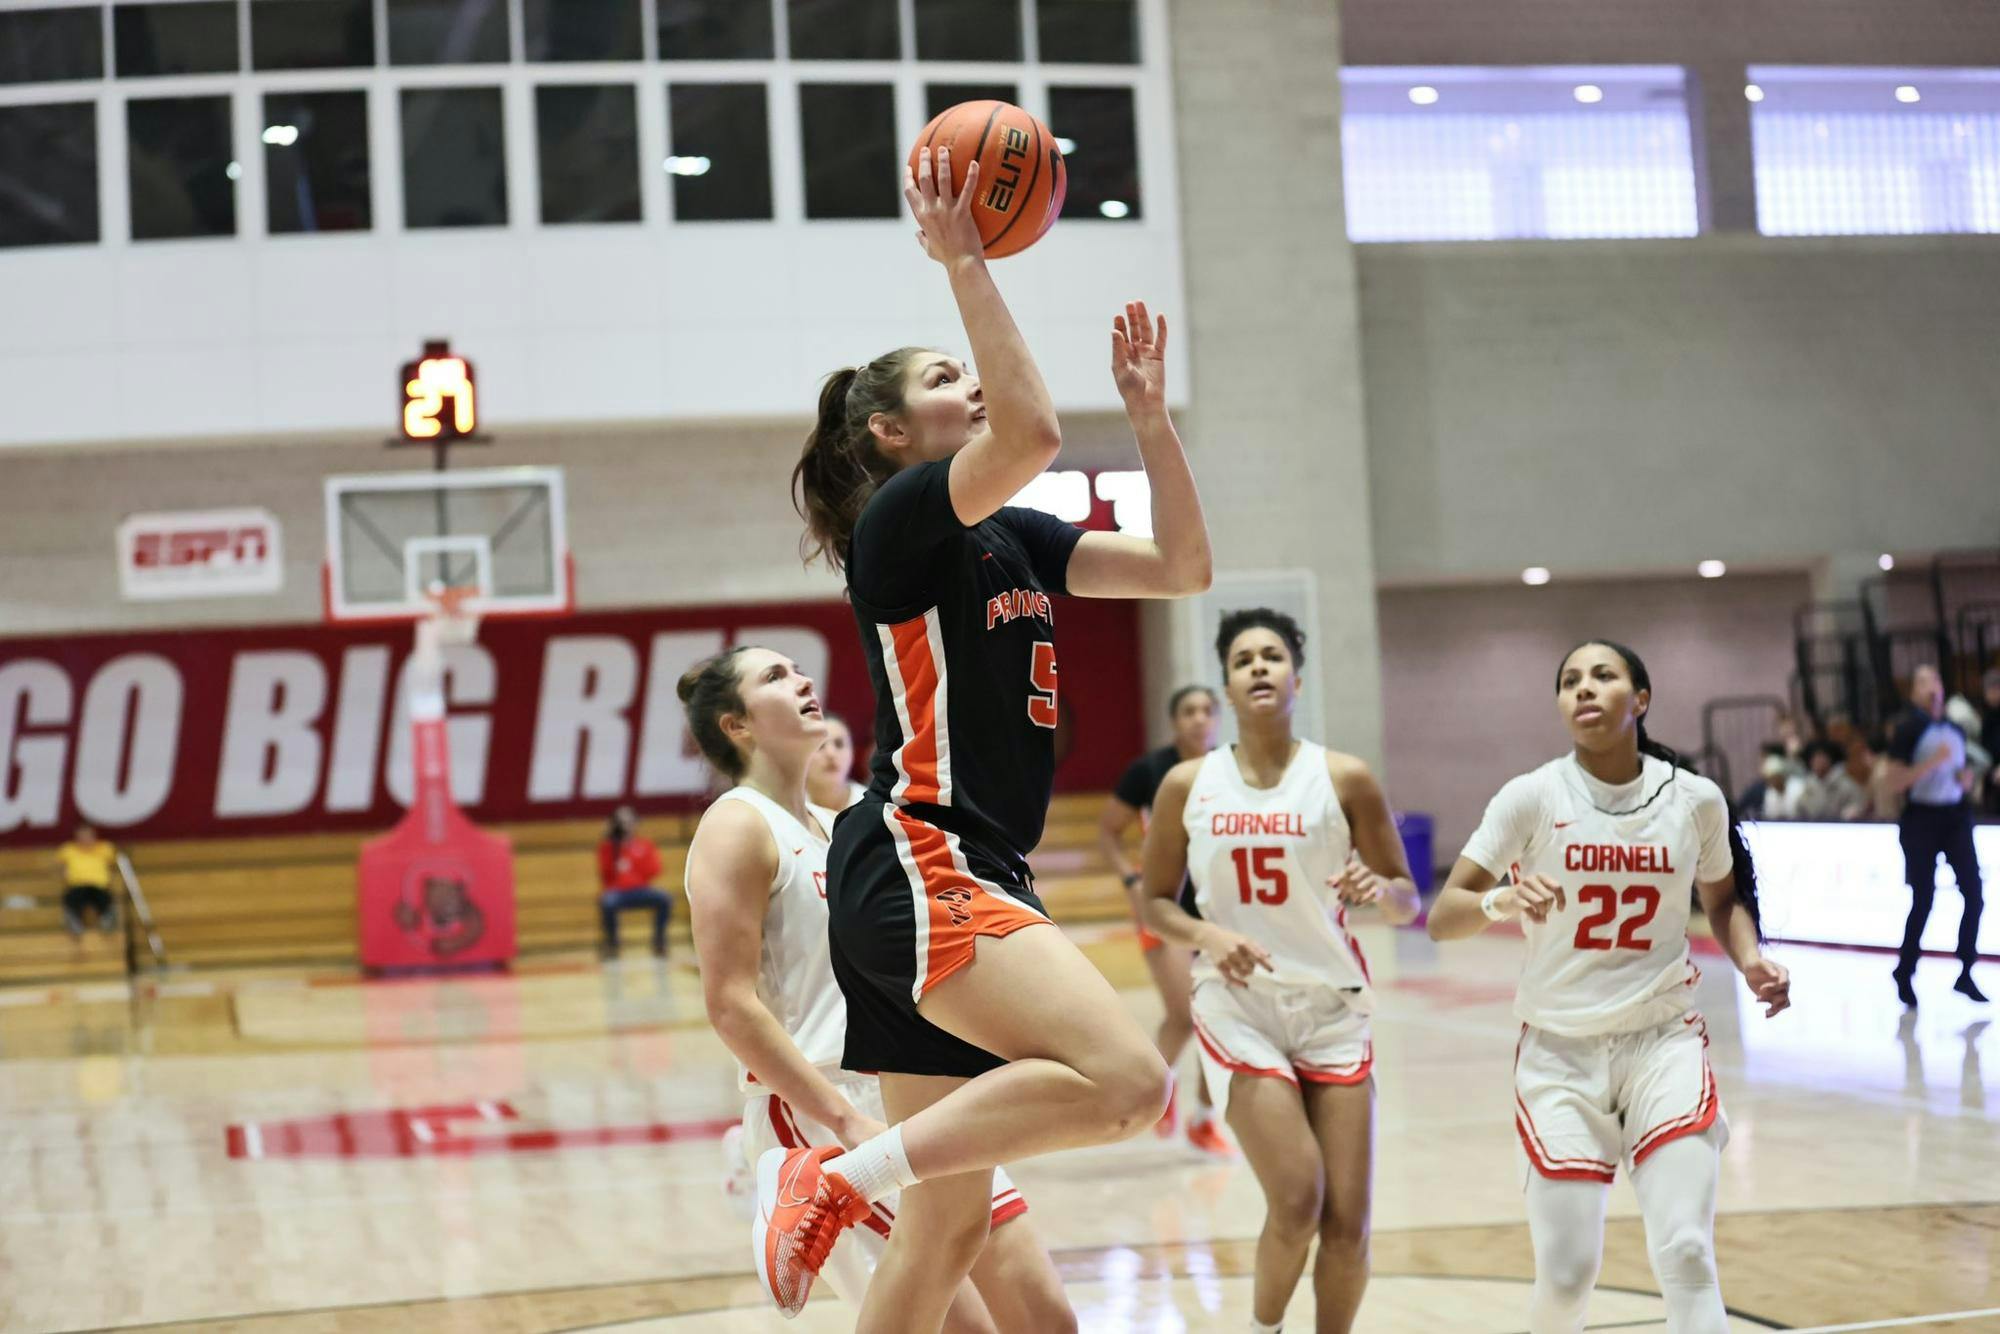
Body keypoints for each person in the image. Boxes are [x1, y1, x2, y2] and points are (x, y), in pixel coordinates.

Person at [754, 142, 1212, 1331]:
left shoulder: (1014, 534)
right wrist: (964, 261)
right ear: (892, 434)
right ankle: (833, 1178)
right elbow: (1033, 427)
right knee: (1127, 1083)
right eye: (945, 379)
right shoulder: (900, 528)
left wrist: (1154, 424)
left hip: (942, 868)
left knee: (948, 1224)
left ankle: (852, 1187)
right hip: (923, 852)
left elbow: (1180, 568)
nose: (972, 389)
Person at [679, 647, 1068, 1331]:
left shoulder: (839, 830)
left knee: (1047, 1321)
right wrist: (842, 1118)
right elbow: (730, 1005)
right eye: (774, 676)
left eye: (796, 668)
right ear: (736, 725)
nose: (800, 679)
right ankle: (790, 1186)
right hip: (818, 1108)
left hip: (914, 1095)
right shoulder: (736, 823)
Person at [1427, 640, 1792, 1334]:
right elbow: (1444, 917)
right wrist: (1500, 903)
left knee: (1686, 1251)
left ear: (1642, 700)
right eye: (1569, 681)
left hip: (1663, 1040)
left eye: (1603, 676)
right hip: (1561, 1052)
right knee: (1566, 1278)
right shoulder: (1531, 795)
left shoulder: (1694, 800)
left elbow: (1722, 900)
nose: (1583, 690)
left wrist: (1749, 959)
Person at [1138, 609, 1419, 1334]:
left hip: (1331, 1005)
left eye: (1272, 656)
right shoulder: (1187, 784)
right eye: (1243, 660)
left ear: (1298, 676)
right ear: (1227, 686)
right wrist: (1205, 932)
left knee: (1349, 1224)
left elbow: (1405, 897)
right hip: (1239, 1005)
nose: (1259, 667)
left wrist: (1379, 890)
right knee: (1297, 1199)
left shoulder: (1346, 777)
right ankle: (1264, 1329)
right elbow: (1155, 903)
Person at [1096, 683, 1230, 1154]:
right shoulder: (1149, 771)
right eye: (1189, 710)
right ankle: (1162, 1091)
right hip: (1163, 906)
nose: (1199, 718)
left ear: (1217, 719)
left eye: (1206, 710)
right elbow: (1109, 832)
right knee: (1185, 1014)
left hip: (1219, 908)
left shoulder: (1231, 768)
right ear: (1175, 721)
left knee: (1221, 1018)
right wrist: (1132, 882)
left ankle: (1204, 1118)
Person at [1885, 664, 1986, 1007]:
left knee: (1974, 893)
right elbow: (1895, 781)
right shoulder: (1907, 729)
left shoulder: (1955, 728)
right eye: (1923, 682)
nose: (1932, 688)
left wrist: (1964, 780)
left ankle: (1966, 971)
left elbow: (1961, 770)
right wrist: (1932, 764)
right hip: (1921, 820)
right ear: (1913, 691)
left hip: (1955, 816)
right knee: (1924, 899)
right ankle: (1905, 970)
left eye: (1936, 680)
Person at [596, 806, 673, 958]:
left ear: (636, 823)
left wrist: (633, 867)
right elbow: (605, 873)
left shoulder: (645, 844)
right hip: (617, 892)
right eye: (621, 822)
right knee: (607, 902)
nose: (625, 825)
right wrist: (612, 845)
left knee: (664, 898)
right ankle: (612, 943)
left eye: (629, 821)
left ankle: (659, 941)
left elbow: (654, 869)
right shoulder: (608, 847)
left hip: (641, 890)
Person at [55, 824, 118, 938]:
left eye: (88, 835)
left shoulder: (105, 848)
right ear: (77, 837)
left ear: (94, 836)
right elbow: (61, 869)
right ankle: (73, 922)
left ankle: (107, 919)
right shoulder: (68, 850)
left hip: (99, 886)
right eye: (82, 836)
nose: (85, 839)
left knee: (103, 896)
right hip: (77, 886)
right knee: (72, 896)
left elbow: (112, 867)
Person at [807, 712, 870, 812]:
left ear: (852, 752)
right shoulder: (787, 809)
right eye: (820, 745)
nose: (831, 754)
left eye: (839, 744)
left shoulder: (870, 806)